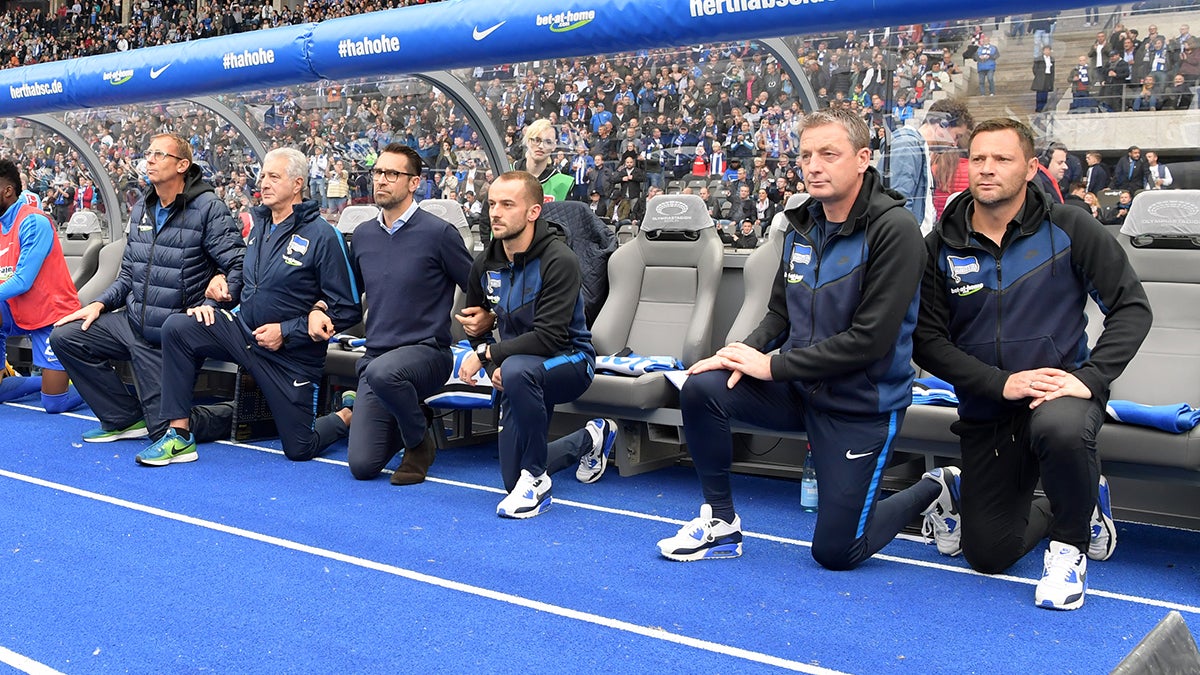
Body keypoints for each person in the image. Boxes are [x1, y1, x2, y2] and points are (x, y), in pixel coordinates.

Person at [657, 109, 952, 570]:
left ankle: (939, 486)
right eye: (806, 155)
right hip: (799, 389)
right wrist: (740, 353)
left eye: (829, 154)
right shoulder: (802, 223)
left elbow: (870, 341)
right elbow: (779, 312)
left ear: (862, 159)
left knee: (836, 553)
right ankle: (720, 522)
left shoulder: (895, 230)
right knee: (703, 388)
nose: (814, 165)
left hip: (860, 405)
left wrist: (771, 367)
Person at [914, 117, 1152, 610]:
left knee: (1062, 428)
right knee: (988, 555)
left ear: (1029, 168)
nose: (987, 169)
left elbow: (1131, 307)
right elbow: (927, 341)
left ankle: (1069, 551)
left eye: (1002, 159)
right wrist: (1000, 384)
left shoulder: (1070, 227)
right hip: (990, 405)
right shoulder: (940, 243)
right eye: (978, 158)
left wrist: (1090, 378)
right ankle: (1084, 504)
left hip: (1058, 393)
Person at [134, 148, 361, 466]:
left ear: (297, 184)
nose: (263, 182)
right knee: (179, 326)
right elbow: (245, 284)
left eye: (274, 176)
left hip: (289, 358)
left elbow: (348, 308)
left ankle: (347, 411)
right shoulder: (259, 229)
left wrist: (286, 331)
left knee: (300, 448)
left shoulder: (324, 235)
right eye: (263, 175)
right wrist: (216, 294)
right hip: (243, 335)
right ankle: (179, 435)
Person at [51, 133, 244, 444]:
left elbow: (238, 264)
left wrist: (214, 302)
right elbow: (129, 272)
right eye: (148, 153)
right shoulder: (143, 206)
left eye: (159, 154)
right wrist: (99, 304)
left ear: (183, 165)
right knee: (67, 336)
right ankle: (124, 418)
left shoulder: (209, 208)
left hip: (170, 335)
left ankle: (242, 415)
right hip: (131, 322)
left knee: (166, 430)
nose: (150, 159)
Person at [456, 171, 616, 519]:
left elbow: (550, 337)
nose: (495, 212)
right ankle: (591, 438)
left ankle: (538, 483)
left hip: (570, 360)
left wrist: (490, 355)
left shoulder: (559, 260)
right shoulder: (485, 264)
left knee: (517, 371)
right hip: (516, 370)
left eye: (507, 204)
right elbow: (474, 322)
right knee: (511, 479)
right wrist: (492, 367)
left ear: (533, 212)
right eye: (492, 204)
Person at [346, 143, 474, 485]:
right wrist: (318, 310)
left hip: (427, 353)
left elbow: (477, 289)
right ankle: (414, 416)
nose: (381, 181)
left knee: (385, 373)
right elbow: (350, 295)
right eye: (377, 173)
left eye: (392, 174)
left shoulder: (439, 233)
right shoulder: (362, 235)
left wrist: (486, 345)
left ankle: (419, 444)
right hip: (376, 359)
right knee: (362, 465)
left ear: (414, 183)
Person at [0, 161, 84, 413]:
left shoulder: (34, 222)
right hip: (16, 310)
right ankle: (36, 381)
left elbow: (23, 280)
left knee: (54, 403)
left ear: (7, 191)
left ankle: (94, 383)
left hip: (51, 315)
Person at [886, 98, 973, 234]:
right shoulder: (907, 147)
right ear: (942, 125)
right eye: (956, 136)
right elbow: (898, 204)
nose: (955, 144)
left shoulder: (920, 150)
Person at [512, 119, 575, 202]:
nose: (541, 146)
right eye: (536, 140)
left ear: (554, 146)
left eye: (548, 142)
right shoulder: (507, 171)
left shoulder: (562, 183)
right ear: (528, 141)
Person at [1032, 46, 1056, 113]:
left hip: (1048, 77)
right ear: (1043, 51)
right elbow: (1034, 69)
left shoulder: (1052, 59)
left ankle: (1044, 107)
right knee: (1040, 94)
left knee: (1045, 94)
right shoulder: (1038, 59)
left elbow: (1052, 70)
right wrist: (1039, 75)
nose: (1047, 52)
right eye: (1046, 50)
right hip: (1040, 78)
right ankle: (1039, 108)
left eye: (1048, 50)